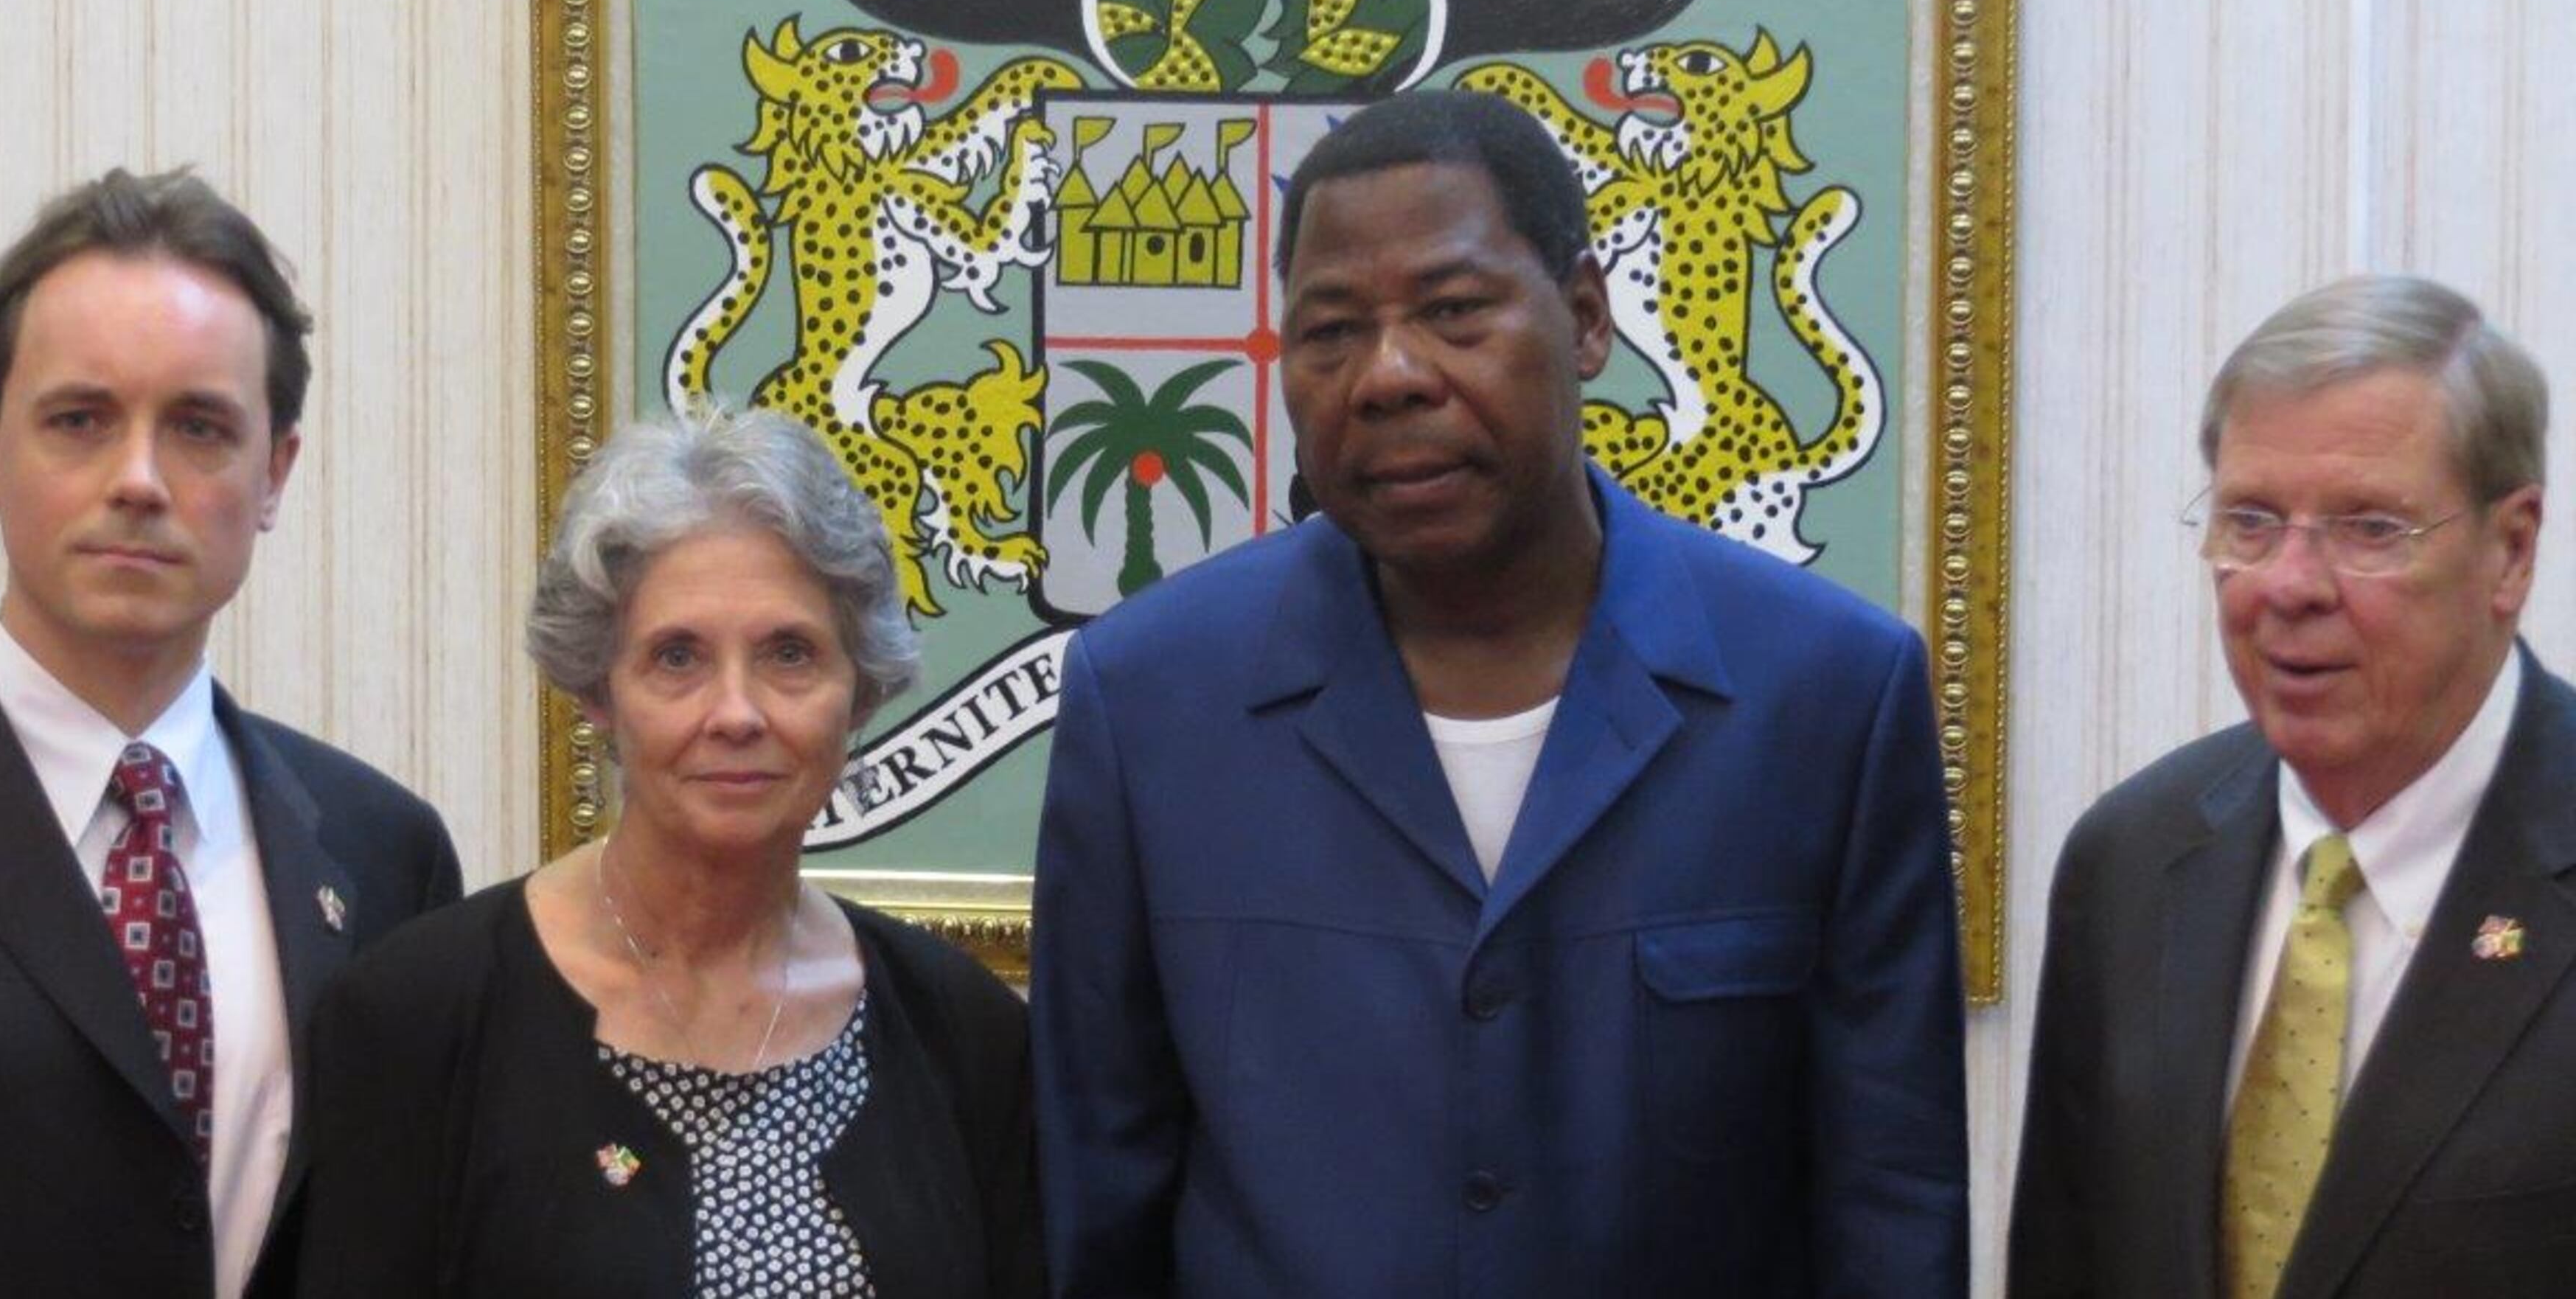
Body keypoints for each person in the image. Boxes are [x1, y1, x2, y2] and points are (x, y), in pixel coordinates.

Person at [1030, 89, 1968, 1296]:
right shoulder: (1153, 702)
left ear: (1583, 318)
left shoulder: (1827, 696)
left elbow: (1891, 1208)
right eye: (1329, 333)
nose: (1389, 376)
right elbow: (1096, 1198)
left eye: (1454, 311)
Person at [0, 167, 464, 1299]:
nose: (137, 481)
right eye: (80, 421)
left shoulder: (385, 854)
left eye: (199, 428)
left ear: (275, 472)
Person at [293, 403, 1042, 1298]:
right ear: (599, 692)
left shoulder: (965, 1035)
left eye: (790, 655)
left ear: (861, 692)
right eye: (678, 658)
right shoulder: (418, 1015)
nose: (737, 713)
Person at [2012, 275, 2576, 1298]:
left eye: (2370, 529)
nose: (2288, 585)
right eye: (2252, 521)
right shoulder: (2131, 862)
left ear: (2512, 549)